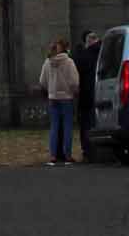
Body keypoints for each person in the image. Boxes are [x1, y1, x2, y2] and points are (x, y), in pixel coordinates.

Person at [38, 37, 80, 164]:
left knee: (54, 127)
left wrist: (50, 89)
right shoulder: (69, 62)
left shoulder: (47, 62)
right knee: (67, 126)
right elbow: (74, 81)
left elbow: (42, 81)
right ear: (65, 48)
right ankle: (67, 155)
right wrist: (73, 90)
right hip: (66, 97)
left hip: (53, 98)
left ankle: (53, 155)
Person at [72, 30, 101, 162]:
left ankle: (88, 151)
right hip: (99, 92)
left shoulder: (82, 55)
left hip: (86, 94)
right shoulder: (102, 52)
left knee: (86, 124)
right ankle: (96, 151)